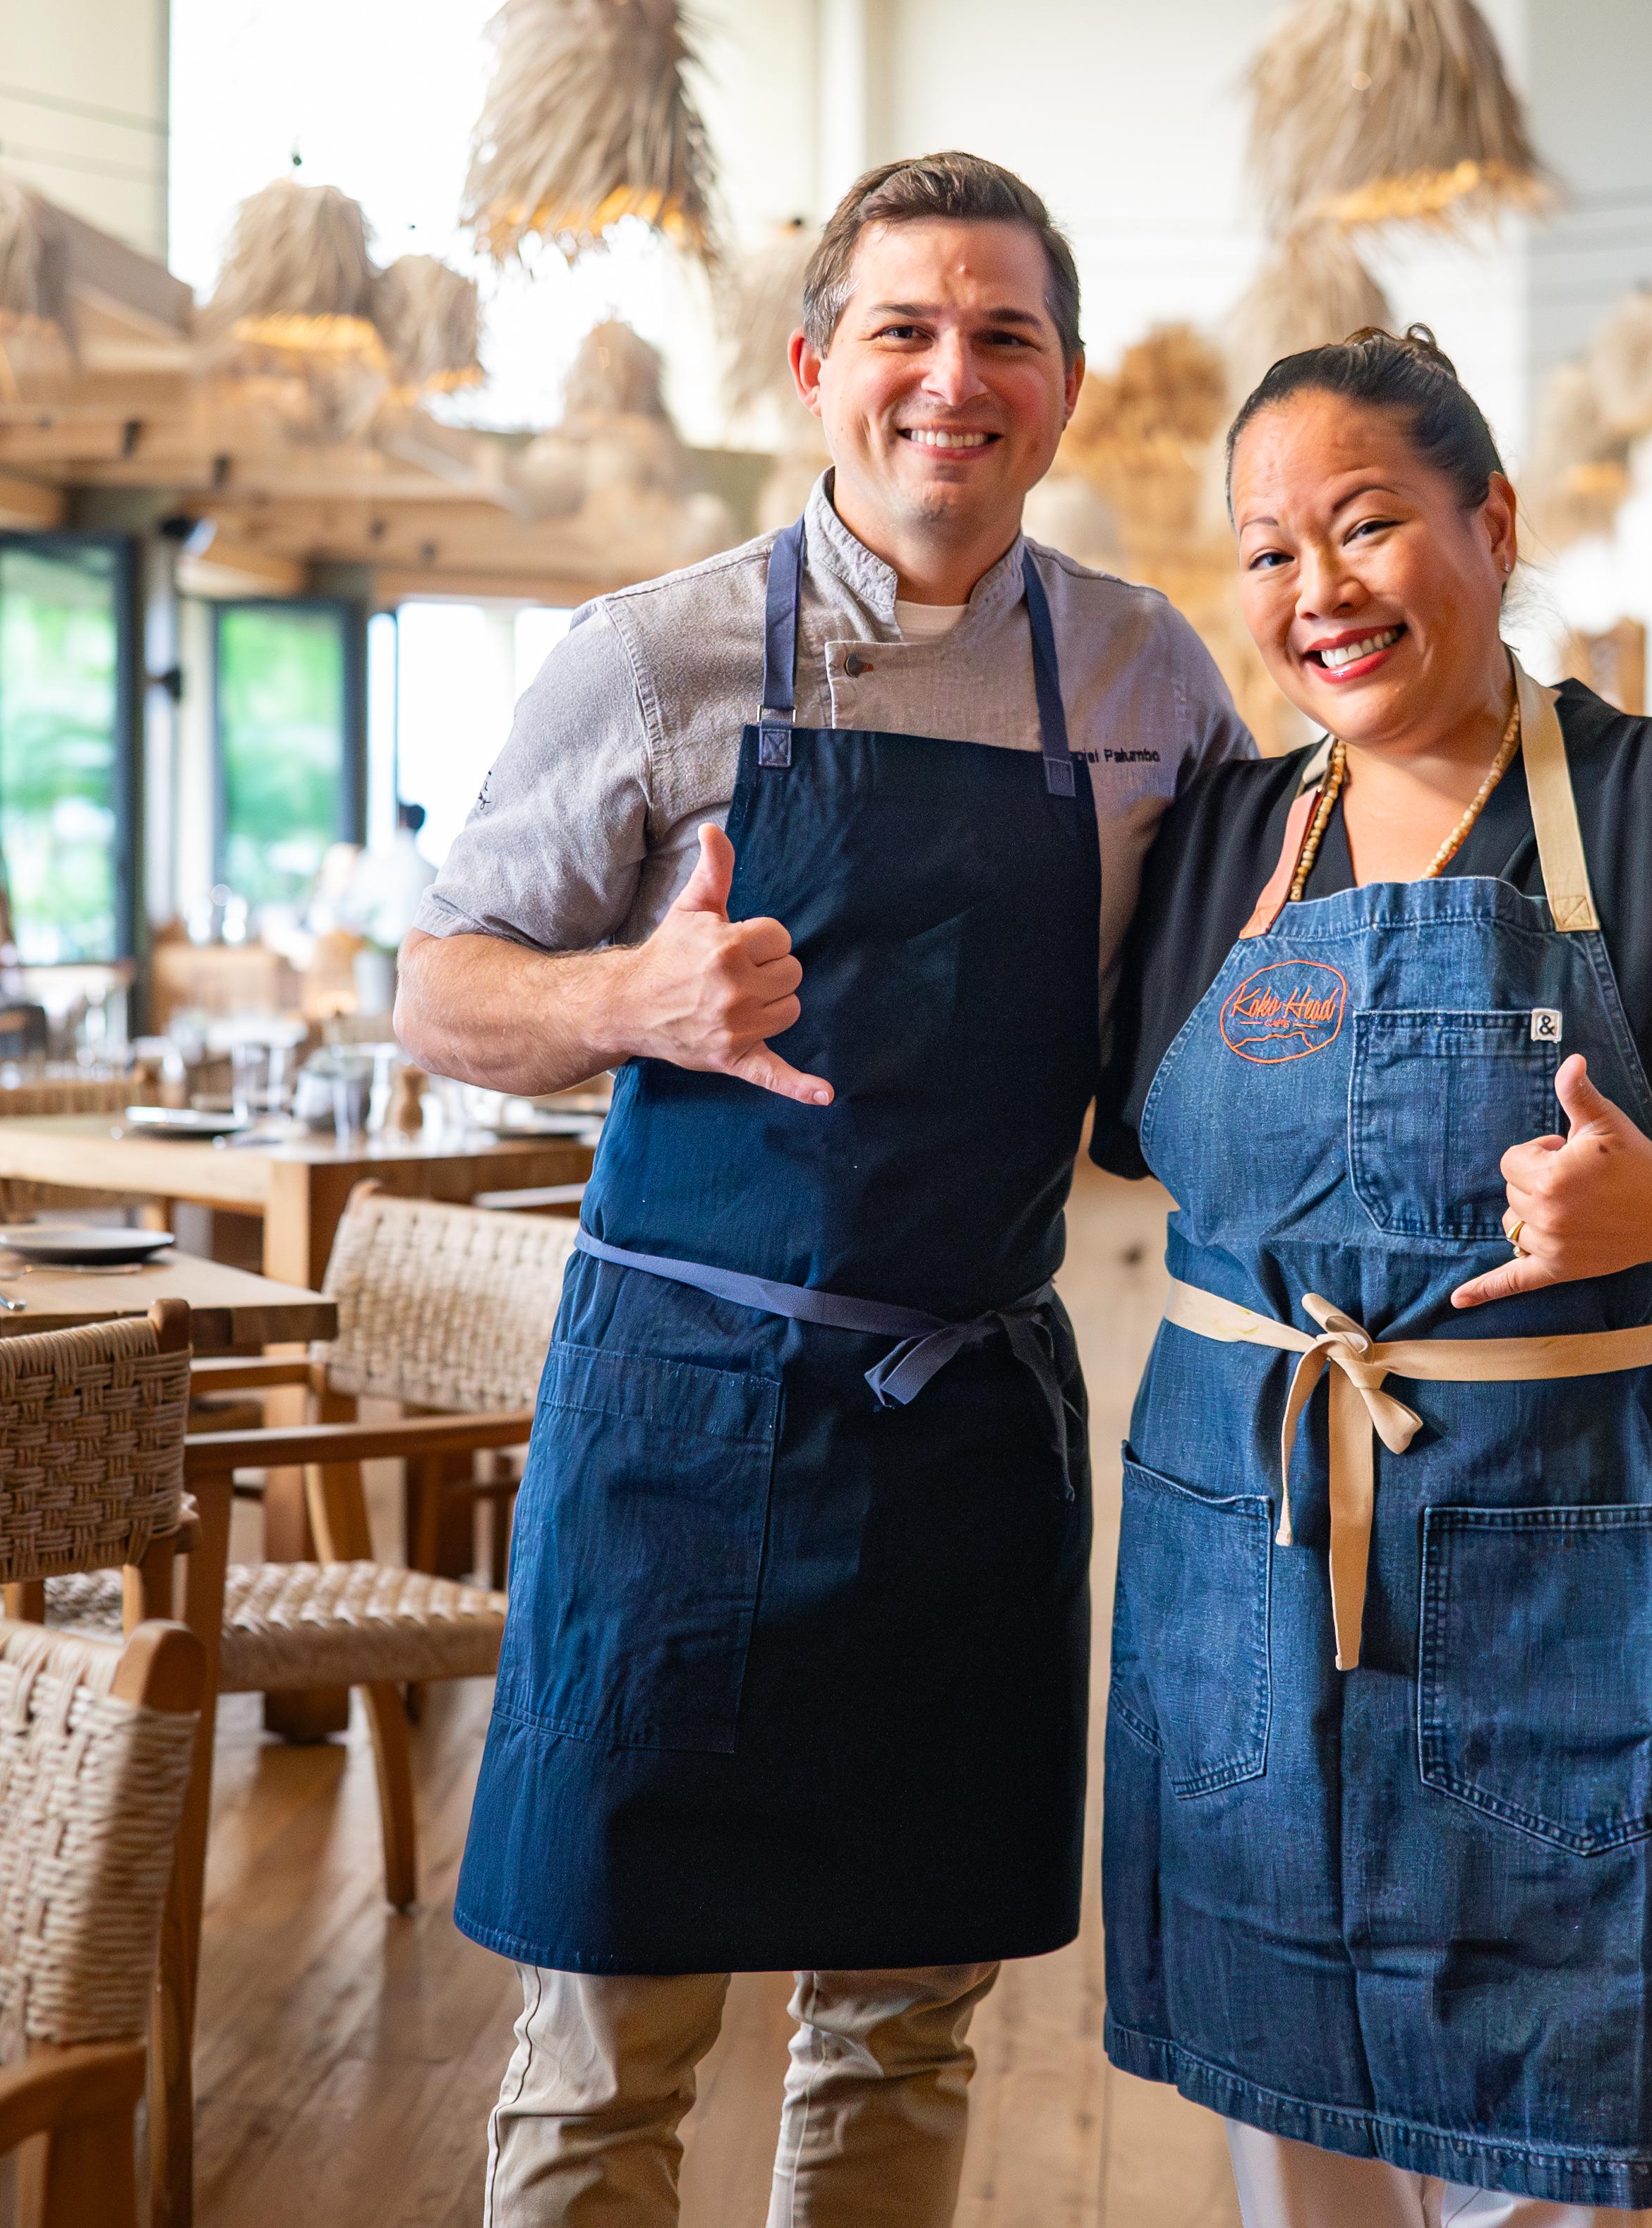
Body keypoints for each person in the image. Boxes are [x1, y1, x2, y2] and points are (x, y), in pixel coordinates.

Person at [395, 151, 1256, 2227]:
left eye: (1001, 336)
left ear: (1060, 388)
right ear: (812, 367)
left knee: (902, 2011)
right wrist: (631, 992)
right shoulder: (650, 657)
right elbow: (432, 992)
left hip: (963, 1424)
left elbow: (1228, 1031)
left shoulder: (1155, 691)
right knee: (610, 2020)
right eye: (902, 327)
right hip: (677, 1418)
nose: (948, 375)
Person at [1092, 330, 1652, 2228]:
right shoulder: (1225, 838)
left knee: (1577, 2085)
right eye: (1271, 550)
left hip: (1587, 1563)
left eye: (1367, 525)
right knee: (1282, 2050)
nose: (1320, 590)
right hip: (1254, 1553)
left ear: (1493, 522)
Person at [356, 800, 440, 949]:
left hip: (375, 952)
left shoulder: (371, 863)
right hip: (414, 950)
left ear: (401, 821)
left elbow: (359, 912)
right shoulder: (432, 871)